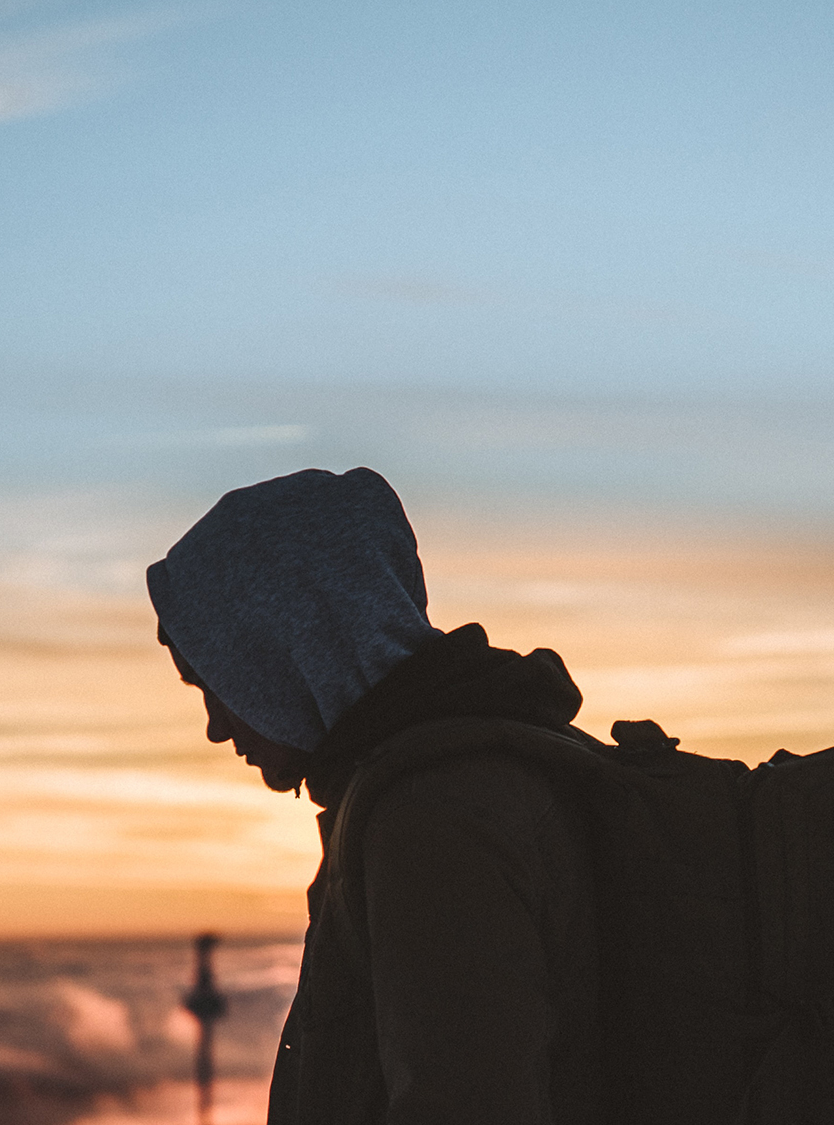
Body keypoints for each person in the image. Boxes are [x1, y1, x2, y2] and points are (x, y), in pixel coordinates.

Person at [147, 467, 604, 1125]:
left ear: (279, 651)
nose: (218, 726)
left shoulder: (434, 823)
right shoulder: (473, 775)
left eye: (215, 684)